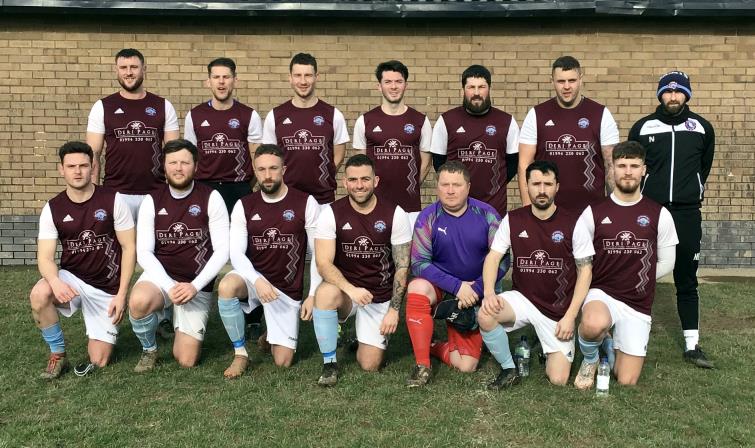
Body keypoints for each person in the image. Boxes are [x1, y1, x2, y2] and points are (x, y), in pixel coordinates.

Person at [478, 160, 594, 389]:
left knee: (558, 379)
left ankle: (545, 345)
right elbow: (493, 257)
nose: (542, 190)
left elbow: (585, 270)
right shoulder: (513, 219)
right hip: (523, 299)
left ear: (557, 187)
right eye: (536, 183)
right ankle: (509, 368)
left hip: (557, 311)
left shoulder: (574, 222)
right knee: (486, 313)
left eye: (548, 184)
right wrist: (489, 292)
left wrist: (570, 316)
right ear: (527, 185)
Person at [574, 141, 678, 389]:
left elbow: (667, 262)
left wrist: (636, 280)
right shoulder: (593, 212)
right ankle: (590, 358)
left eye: (634, 165)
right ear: (612, 169)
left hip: (637, 301)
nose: (628, 171)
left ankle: (608, 344)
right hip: (602, 293)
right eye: (622, 166)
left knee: (626, 379)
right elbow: (581, 262)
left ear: (644, 170)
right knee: (593, 324)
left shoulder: (659, 214)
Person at [629, 71, 715, 368]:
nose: (673, 97)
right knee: (639, 274)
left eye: (679, 93)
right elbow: (634, 168)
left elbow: (704, 168)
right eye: (667, 92)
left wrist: (690, 188)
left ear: (687, 95)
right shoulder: (643, 127)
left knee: (687, 279)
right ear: (660, 95)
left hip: (687, 212)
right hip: (649, 211)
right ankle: (633, 338)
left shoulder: (702, 128)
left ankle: (692, 345)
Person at [30, 141, 136, 378]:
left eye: (83, 166)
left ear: (93, 167)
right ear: (61, 169)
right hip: (73, 280)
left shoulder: (113, 199)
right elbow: (45, 258)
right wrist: (56, 283)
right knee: (39, 294)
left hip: (106, 288)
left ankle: (101, 335)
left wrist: (121, 294)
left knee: (99, 360)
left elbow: (129, 248)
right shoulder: (53, 208)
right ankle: (57, 354)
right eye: (71, 166)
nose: (77, 171)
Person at [217, 144, 322, 378]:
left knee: (282, 362)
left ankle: (268, 336)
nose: (267, 175)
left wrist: (313, 293)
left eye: (273, 168)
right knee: (226, 286)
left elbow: (319, 254)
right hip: (254, 280)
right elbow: (236, 253)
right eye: (262, 169)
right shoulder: (244, 205)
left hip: (286, 288)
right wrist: (257, 280)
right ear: (254, 171)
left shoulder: (306, 202)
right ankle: (240, 353)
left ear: (284, 169)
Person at [128, 139, 229, 372]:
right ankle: (149, 349)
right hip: (163, 279)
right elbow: (144, 252)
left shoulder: (211, 197)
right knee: (139, 301)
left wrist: (194, 286)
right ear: (164, 166)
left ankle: (173, 319)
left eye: (185, 162)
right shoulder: (152, 200)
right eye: (172, 162)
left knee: (186, 359)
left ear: (195, 166)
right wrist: (169, 286)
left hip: (195, 283)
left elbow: (222, 250)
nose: (178, 168)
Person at [404, 161, 507, 387]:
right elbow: (419, 263)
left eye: (457, 185)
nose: (450, 190)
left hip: (475, 293)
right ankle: (422, 365)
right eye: (445, 185)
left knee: (466, 366)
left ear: (468, 187)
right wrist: (457, 287)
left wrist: (476, 289)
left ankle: (431, 345)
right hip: (443, 288)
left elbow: (503, 261)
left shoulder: (488, 215)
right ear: (437, 187)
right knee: (417, 288)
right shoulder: (427, 217)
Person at [312, 154, 412, 386]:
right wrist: (351, 289)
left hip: (379, 295)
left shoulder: (395, 214)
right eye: (353, 179)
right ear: (345, 182)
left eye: (365, 179)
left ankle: (359, 337)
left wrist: (394, 311)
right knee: (325, 294)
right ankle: (330, 363)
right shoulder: (331, 213)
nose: (359, 185)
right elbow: (323, 263)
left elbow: (402, 266)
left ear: (376, 181)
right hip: (348, 292)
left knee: (369, 365)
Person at [86, 48, 180, 220]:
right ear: (116, 70)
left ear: (144, 69)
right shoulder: (102, 106)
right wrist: (94, 196)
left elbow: (175, 155)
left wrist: (173, 194)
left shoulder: (163, 106)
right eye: (123, 68)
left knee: (153, 247)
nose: (128, 73)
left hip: (156, 193)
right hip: (115, 193)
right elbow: (93, 155)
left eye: (134, 67)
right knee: (122, 247)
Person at [517, 56, 620, 214]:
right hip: (548, 212)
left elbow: (611, 166)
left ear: (581, 79)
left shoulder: (601, 114)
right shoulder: (537, 115)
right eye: (560, 81)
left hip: (592, 212)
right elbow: (525, 165)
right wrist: (527, 210)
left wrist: (614, 210)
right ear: (552, 81)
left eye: (571, 80)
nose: (566, 86)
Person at [429, 64, 518, 217]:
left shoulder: (507, 121)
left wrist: (494, 186)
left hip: (493, 207)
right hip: (455, 208)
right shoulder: (446, 120)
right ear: (463, 90)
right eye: (471, 87)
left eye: (481, 87)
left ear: (489, 88)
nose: (476, 93)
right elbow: (438, 163)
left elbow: (512, 164)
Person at [352, 60, 433, 226]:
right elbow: (361, 163)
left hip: (410, 207)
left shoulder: (420, 121)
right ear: (379, 86)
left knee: (406, 252)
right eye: (388, 82)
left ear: (406, 85)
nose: (393, 86)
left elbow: (426, 161)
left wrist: (410, 185)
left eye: (398, 81)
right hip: (373, 205)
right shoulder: (365, 121)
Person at [262, 53, 350, 205]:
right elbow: (269, 157)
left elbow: (339, 154)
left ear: (317, 77)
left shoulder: (333, 114)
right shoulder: (275, 116)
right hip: (285, 197)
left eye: (308, 75)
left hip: (322, 199)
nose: (303, 81)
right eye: (298, 75)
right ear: (290, 77)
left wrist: (321, 177)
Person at [185, 57, 264, 213]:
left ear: (235, 81)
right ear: (208, 82)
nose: (221, 82)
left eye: (226, 77)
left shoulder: (249, 115)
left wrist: (246, 185)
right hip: (204, 187)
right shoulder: (194, 115)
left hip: (239, 188)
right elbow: (189, 157)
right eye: (216, 77)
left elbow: (257, 157)